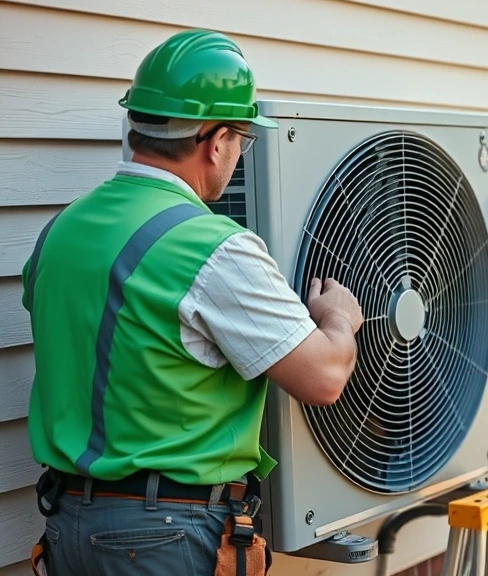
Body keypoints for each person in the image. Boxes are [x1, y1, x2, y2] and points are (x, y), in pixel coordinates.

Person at [23, 29, 363, 575]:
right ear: (216, 140)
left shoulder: (61, 229)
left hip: (68, 523)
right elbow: (323, 378)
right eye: (242, 140)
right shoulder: (211, 246)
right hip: (165, 536)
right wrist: (340, 321)